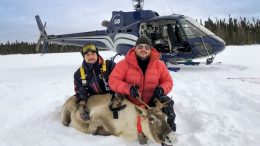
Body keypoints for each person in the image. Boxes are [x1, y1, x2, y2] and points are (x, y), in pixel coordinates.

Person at [108, 35, 176, 132]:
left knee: (167, 102)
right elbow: (113, 80)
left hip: (152, 102)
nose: (143, 50)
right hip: (131, 102)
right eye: (140, 47)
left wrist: (161, 89)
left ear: (150, 49)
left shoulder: (159, 64)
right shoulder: (124, 63)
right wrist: (128, 89)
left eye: (146, 47)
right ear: (135, 49)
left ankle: (169, 132)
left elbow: (168, 81)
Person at [74, 43, 115, 120]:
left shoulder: (110, 65)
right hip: (95, 103)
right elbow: (79, 93)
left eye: (93, 54)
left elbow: (120, 82)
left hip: (112, 100)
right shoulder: (78, 74)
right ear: (84, 57)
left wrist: (118, 96)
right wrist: (81, 105)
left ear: (97, 54)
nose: (91, 57)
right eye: (87, 55)